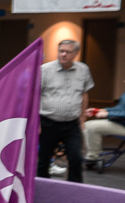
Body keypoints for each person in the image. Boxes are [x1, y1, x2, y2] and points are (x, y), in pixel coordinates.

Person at [39, 39, 94, 183]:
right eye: (61, 51)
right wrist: (36, 122)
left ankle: (75, 189)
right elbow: (35, 96)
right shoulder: (45, 70)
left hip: (72, 124)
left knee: (76, 158)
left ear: (76, 54)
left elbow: (84, 93)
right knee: (44, 160)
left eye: (68, 52)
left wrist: (82, 118)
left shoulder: (83, 69)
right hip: (48, 123)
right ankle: (42, 187)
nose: (63, 54)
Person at [84, 84, 125, 169]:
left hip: (122, 124)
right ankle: (93, 155)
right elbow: (120, 109)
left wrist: (108, 114)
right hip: (121, 123)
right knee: (88, 125)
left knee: (93, 127)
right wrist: (100, 110)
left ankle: (93, 157)